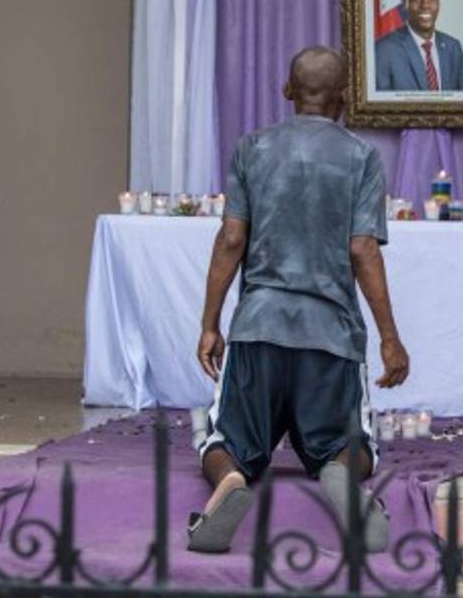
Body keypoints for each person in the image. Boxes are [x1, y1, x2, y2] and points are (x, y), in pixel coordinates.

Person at [187, 45, 411, 555]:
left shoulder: (252, 149)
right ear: (345, 98)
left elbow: (230, 240)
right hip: (330, 335)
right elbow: (362, 250)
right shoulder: (361, 157)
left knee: (225, 442)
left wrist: (210, 323)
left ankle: (230, 484)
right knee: (354, 445)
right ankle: (339, 477)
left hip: (260, 328)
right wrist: (391, 340)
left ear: (287, 91)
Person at [374, 0, 463, 92]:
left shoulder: (453, 47)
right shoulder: (383, 50)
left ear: (438, 3)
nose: (425, 5)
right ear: (405, 3)